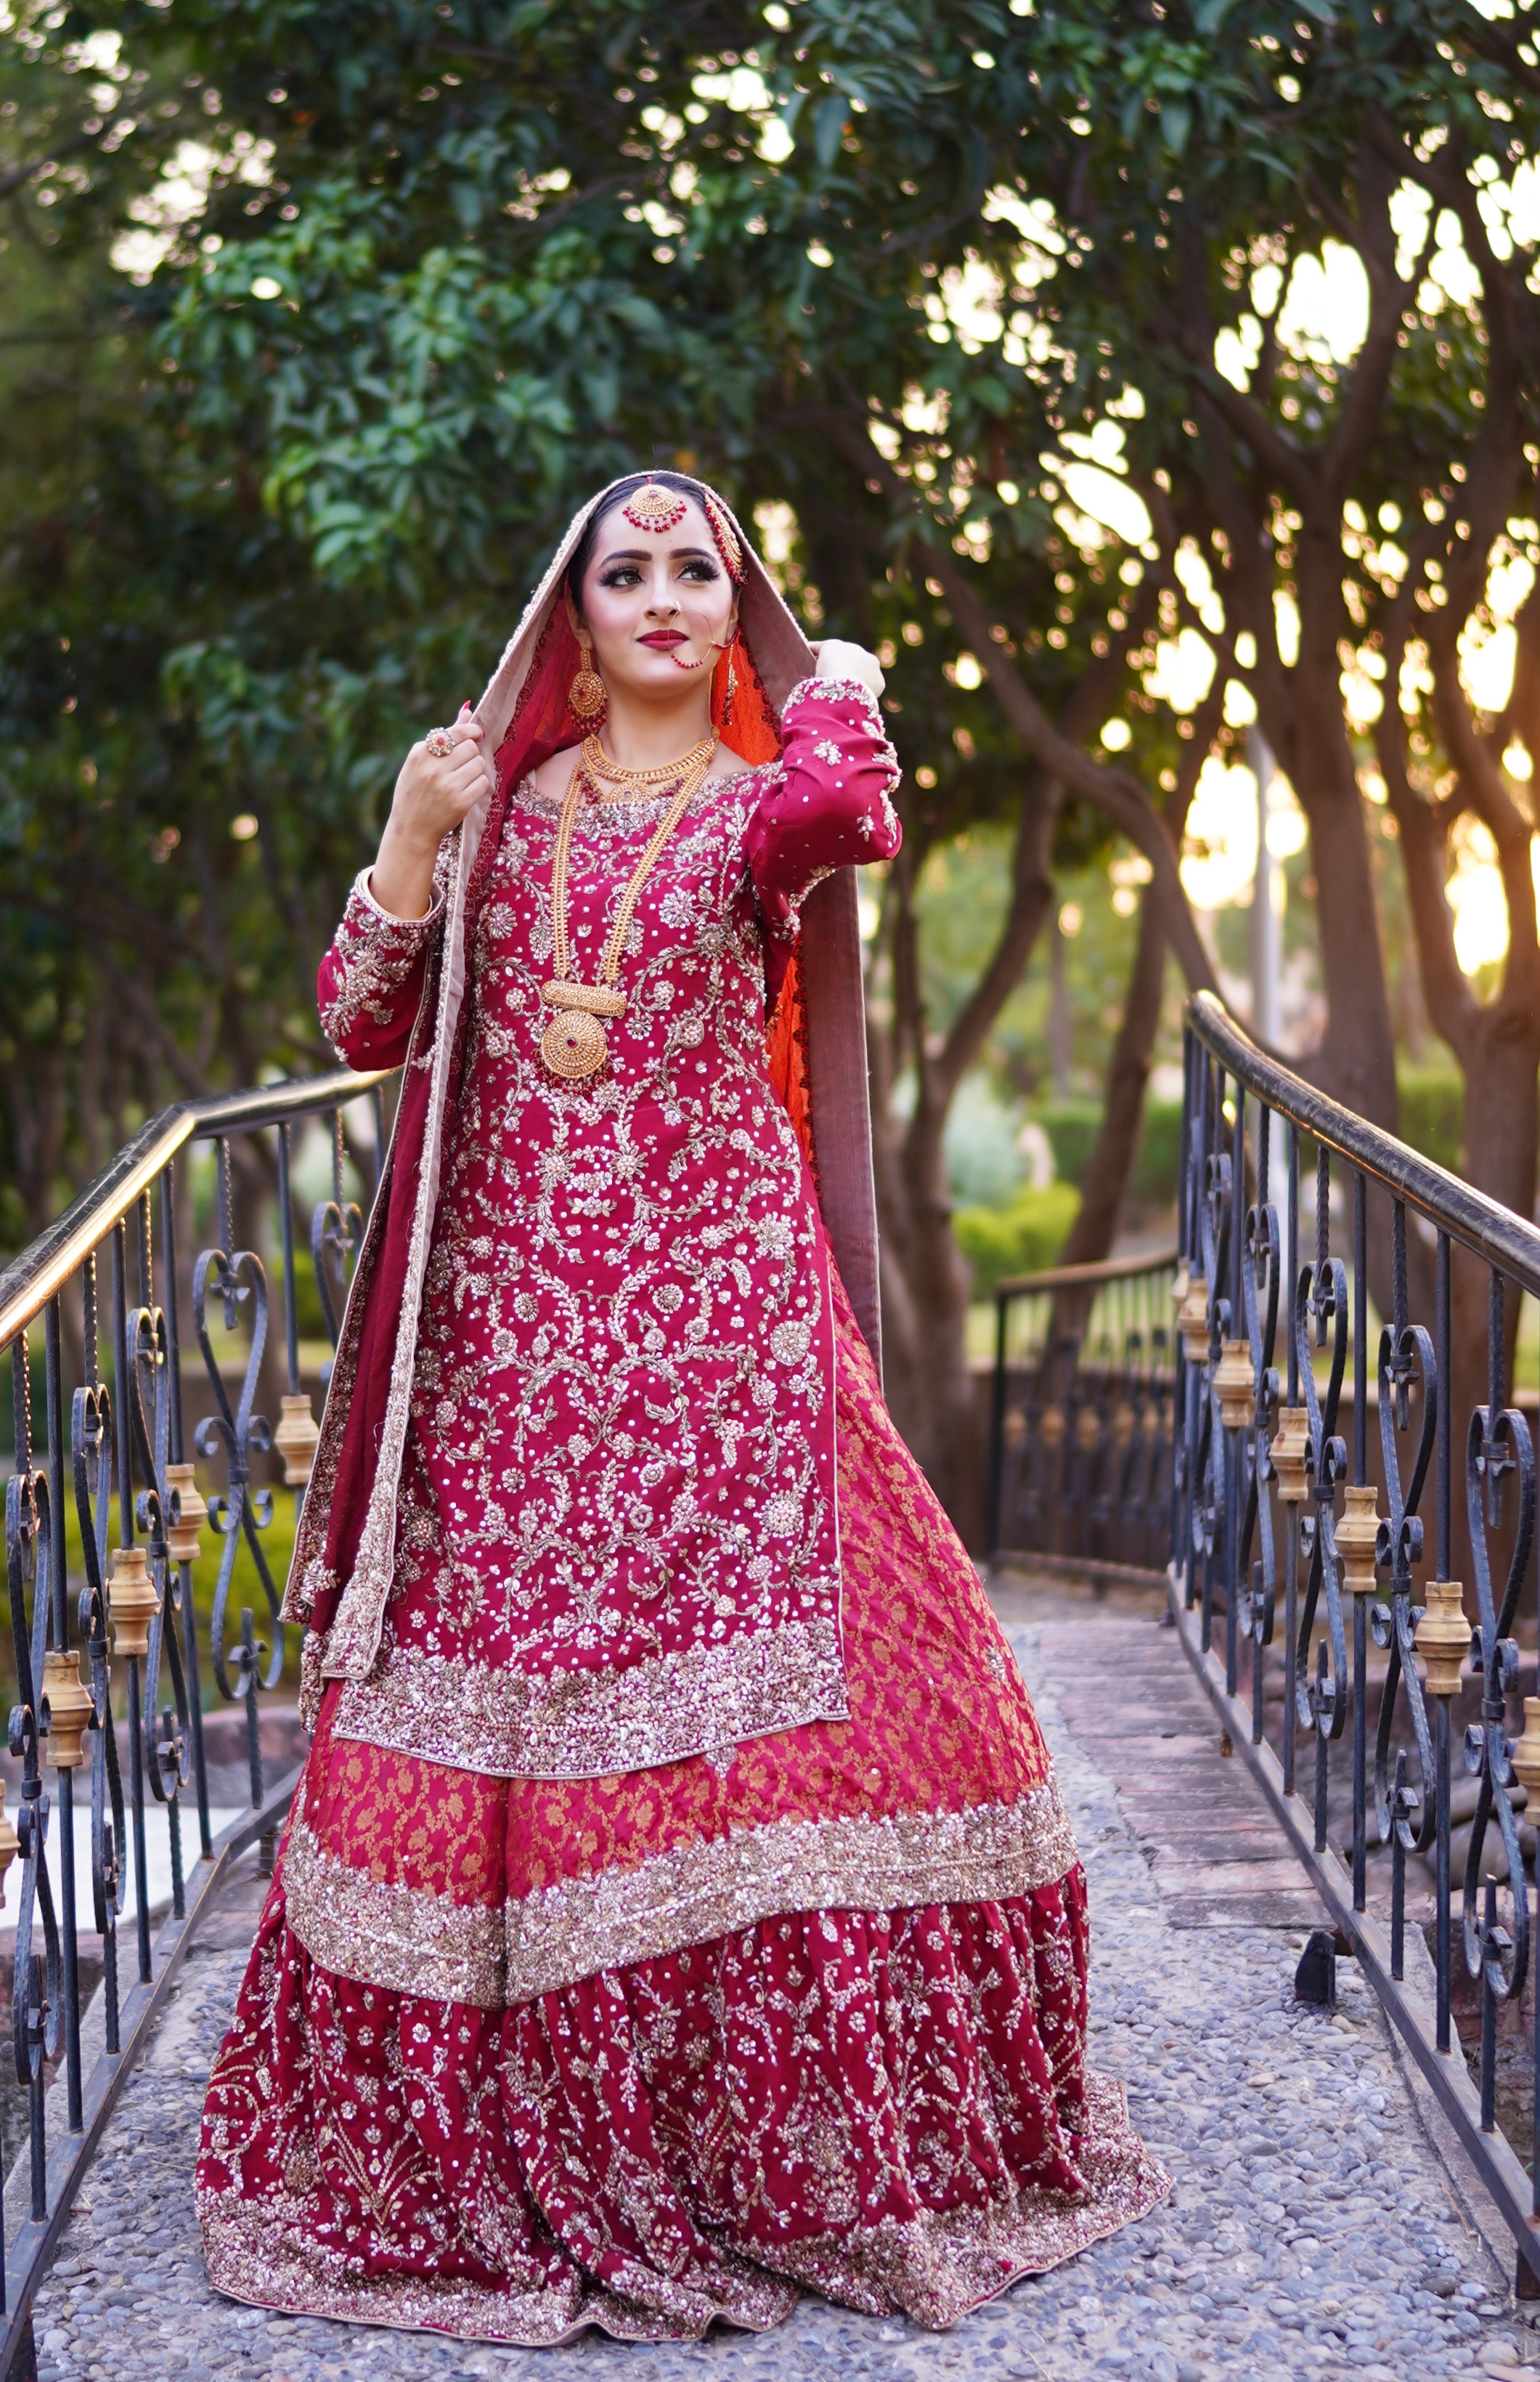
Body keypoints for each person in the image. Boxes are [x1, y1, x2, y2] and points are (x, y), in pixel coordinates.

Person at [197, 471, 1168, 2341]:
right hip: (503, 1360)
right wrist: (408, 836)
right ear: (570, 609)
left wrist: (842, 689)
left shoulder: (747, 825)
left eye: (695, 573)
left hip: (722, 1348)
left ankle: (776, 2146)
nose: (657, 596)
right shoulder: (489, 815)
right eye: (621, 569)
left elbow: (839, 814)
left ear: (737, 614)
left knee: (842, 1707)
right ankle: (481, 2148)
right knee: (484, 1732)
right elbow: (360, 1020)